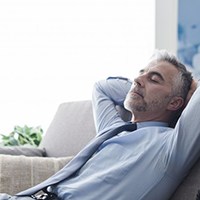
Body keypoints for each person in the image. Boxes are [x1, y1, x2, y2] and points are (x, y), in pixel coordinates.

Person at [0, 49, 199, 200]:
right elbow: (102, 88)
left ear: (175, 103)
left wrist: (190, 91)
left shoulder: (171, 147)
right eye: (140, 73)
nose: (137, 79)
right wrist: (141, 88)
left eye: (154, 79)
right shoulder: (111, 129)